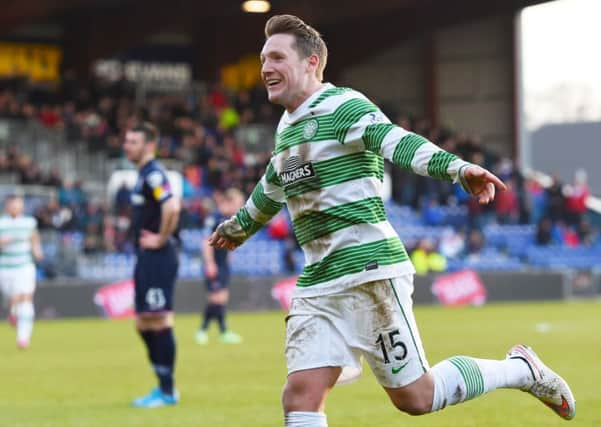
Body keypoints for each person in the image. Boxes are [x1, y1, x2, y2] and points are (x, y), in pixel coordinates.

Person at [209, 14, 576, 426]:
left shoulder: (343, 105)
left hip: (369, 273)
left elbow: (395, 141)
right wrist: (238, 227)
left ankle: (521, 370)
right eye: (263, 60)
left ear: (311, 62)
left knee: (416, 397)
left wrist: (456, 169)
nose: (265, 69)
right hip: (319, 281)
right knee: (300, 395)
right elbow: (273, 183)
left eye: (277, 57)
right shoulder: (287, 127)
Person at [122, 122, 182, 408]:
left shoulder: (154, 174)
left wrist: (160, 238)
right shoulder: (143, 175)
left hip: (158, 256)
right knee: (142, 322)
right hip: (146, 257)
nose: (126, 146)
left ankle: (167, 390)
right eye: (127, 141)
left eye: (133, 141)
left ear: (148, 145)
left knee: (158, 320)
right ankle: (162, 384)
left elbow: (172, 207)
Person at [195, 188, 245, 345]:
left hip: (222, 263)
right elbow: (206, 242)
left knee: (221, 298)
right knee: (217, 298)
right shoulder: (215, 217)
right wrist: (210, 263)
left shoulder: (229, 219)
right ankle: (206, 331)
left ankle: (215, 331)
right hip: (214, 263)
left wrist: (230, 255)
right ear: (229, 202)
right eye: (238, 204)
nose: (240, 207)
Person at [0, 194, 43, 349]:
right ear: (7, 206)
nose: (16, 207)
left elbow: (34, 238)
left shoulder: (29, 222)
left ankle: (23, 338)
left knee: (26, 297)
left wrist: (37, 251)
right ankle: (13, 311)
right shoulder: (2, 223)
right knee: (13, 298)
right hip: (6, 267)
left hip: (25, 265)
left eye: (18, 204)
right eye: (13, 204)